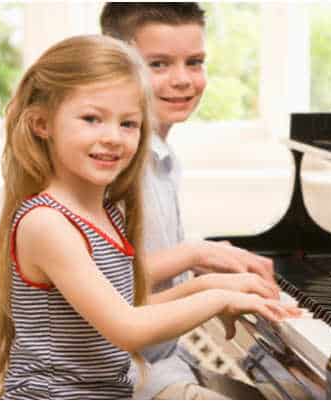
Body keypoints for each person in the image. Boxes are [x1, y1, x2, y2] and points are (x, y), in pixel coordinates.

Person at [0, 34, 299, 400]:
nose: (113, 137)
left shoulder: (103, 212)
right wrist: (217, 301)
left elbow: (124, 308)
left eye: (128, 124)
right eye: (92, 119)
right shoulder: (46, 222)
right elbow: (127, 328)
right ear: (41, 124)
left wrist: (210, 287)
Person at [99, 3, 282, 399]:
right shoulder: (113, 161)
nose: (182, 80)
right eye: (159, 64)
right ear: (114, 65)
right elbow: (109, 282)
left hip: (163, 359)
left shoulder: (160, 155)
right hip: (124, 373)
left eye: (194, 62)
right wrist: (198, 260)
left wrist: (209, 271)